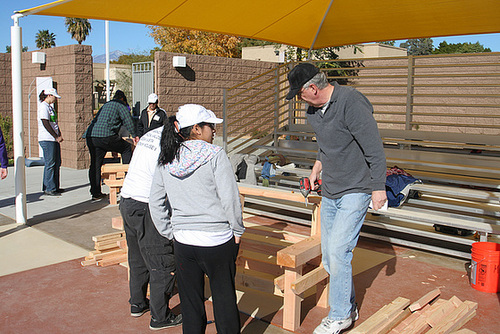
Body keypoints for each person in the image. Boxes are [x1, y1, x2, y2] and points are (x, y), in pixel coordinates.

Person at [286, 63, 387, 334]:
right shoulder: (313, 112)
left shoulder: (351, 102)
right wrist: (317, 166)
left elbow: (374, 147)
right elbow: (327, 144)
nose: (298, 98)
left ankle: (340, 315)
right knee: (331, 258)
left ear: (313, 88)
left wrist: (379, 187)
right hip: (331, 190)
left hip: (357, 188)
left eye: (299, 93)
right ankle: (349, 305)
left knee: (339, 251)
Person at [149, 104, 244, 334]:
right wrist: (237, 230)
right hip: (217, 240)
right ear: (197, 129)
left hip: (183, 241)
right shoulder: (215, 155)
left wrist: (170, 232)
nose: (214, 131)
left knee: (191, 304)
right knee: (224, 301)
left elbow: (155, 201)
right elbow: (230, 198)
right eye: (210, 126)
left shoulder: (168, 156)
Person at [119, 124, 182, 331]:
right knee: (161, 261)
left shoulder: (152, 134)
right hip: (147, 205)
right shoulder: (171, 141)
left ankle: (138, 303)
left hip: (128, 200)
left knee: (137, 258)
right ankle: (160, 317)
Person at [83, 90, 139, 200]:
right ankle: (128, 182)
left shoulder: (106, 105)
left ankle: (95, 192)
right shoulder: (120, 105)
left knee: (95, 164)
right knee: (127, 148)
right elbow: (128, 121)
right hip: (106, 136)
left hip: (92, 136)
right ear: (123, 99)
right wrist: (135, 135)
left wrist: (113, 146)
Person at [38, 88, 63, 196]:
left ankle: (54, 186)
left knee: (57, 162)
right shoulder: (43, 107)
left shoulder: (50, 108)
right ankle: (49, 188)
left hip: (53, 139)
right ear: (48, 95)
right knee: (50, 163)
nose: (55, 99)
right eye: (54, 97)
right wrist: (55, 136)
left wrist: (59, 134)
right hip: (47, 139)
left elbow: (55, 124)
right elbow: (45, 123)